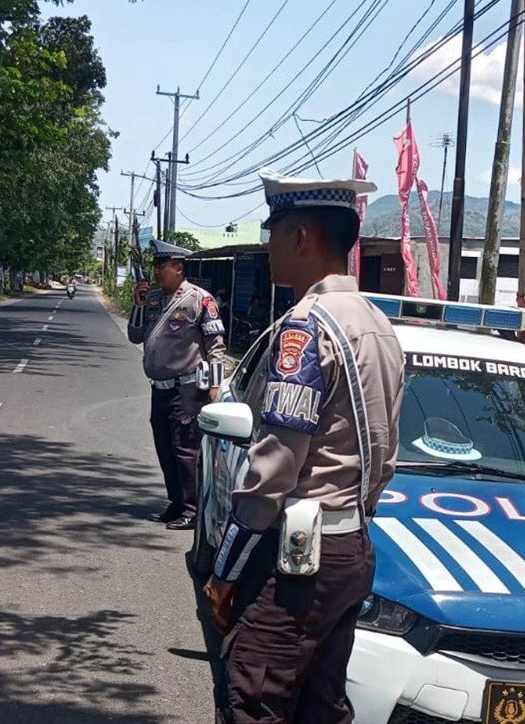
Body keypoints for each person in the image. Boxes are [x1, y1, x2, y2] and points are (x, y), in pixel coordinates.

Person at [204, 169, 405, 724]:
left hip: (300, 558)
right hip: (351, 548)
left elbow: (275, 466)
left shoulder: (306, 328)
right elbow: (384, 454)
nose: (268, 246)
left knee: (253, 691)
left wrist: (224, 572)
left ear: (301, 238)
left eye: (274, 232)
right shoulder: (378, 325)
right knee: (321, 703)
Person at [128, 239, 227, 531]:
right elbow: (135, 335)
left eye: (162, 267)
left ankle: (191, 508)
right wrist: (138, 305)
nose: (157, 272)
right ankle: (175, 502)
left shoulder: (200, 300)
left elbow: (216, 345)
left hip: (187, 388)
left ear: (178, 268)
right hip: (159, 388)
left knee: (186, 450)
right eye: (156, 267)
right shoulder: (155, 299)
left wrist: (214, 386)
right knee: (164, 447)